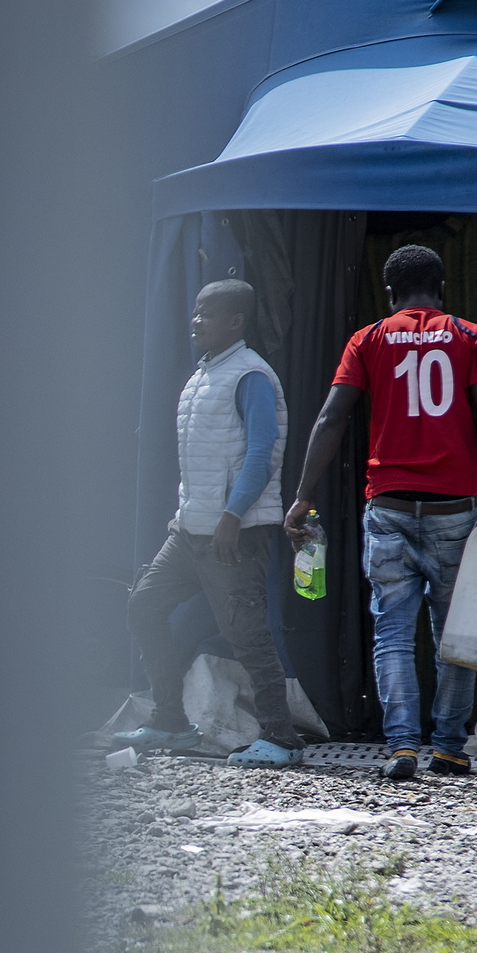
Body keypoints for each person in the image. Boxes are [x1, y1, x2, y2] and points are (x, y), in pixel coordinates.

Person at [283, 245, 477, 781]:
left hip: (390, 507)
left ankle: (402, 747)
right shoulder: (471, 337)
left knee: (394, 633)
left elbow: (332, 418)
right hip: (456, 509)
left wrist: (304, 494)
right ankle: (449, 746)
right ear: (442, 288)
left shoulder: (369, 338)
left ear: (390, 293)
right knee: (456, 634)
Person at [116, 280, 303, 768]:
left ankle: (280, 738)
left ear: (236, 321)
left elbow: (262, 453)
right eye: (195, 312)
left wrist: (231, 516)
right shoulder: (203, 375)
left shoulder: (250, 375)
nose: (196, 321)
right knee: (145, 604)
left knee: (247, 635)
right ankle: (171, 721)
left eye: (209, 314)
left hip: (232, 533)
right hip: (190, 530)